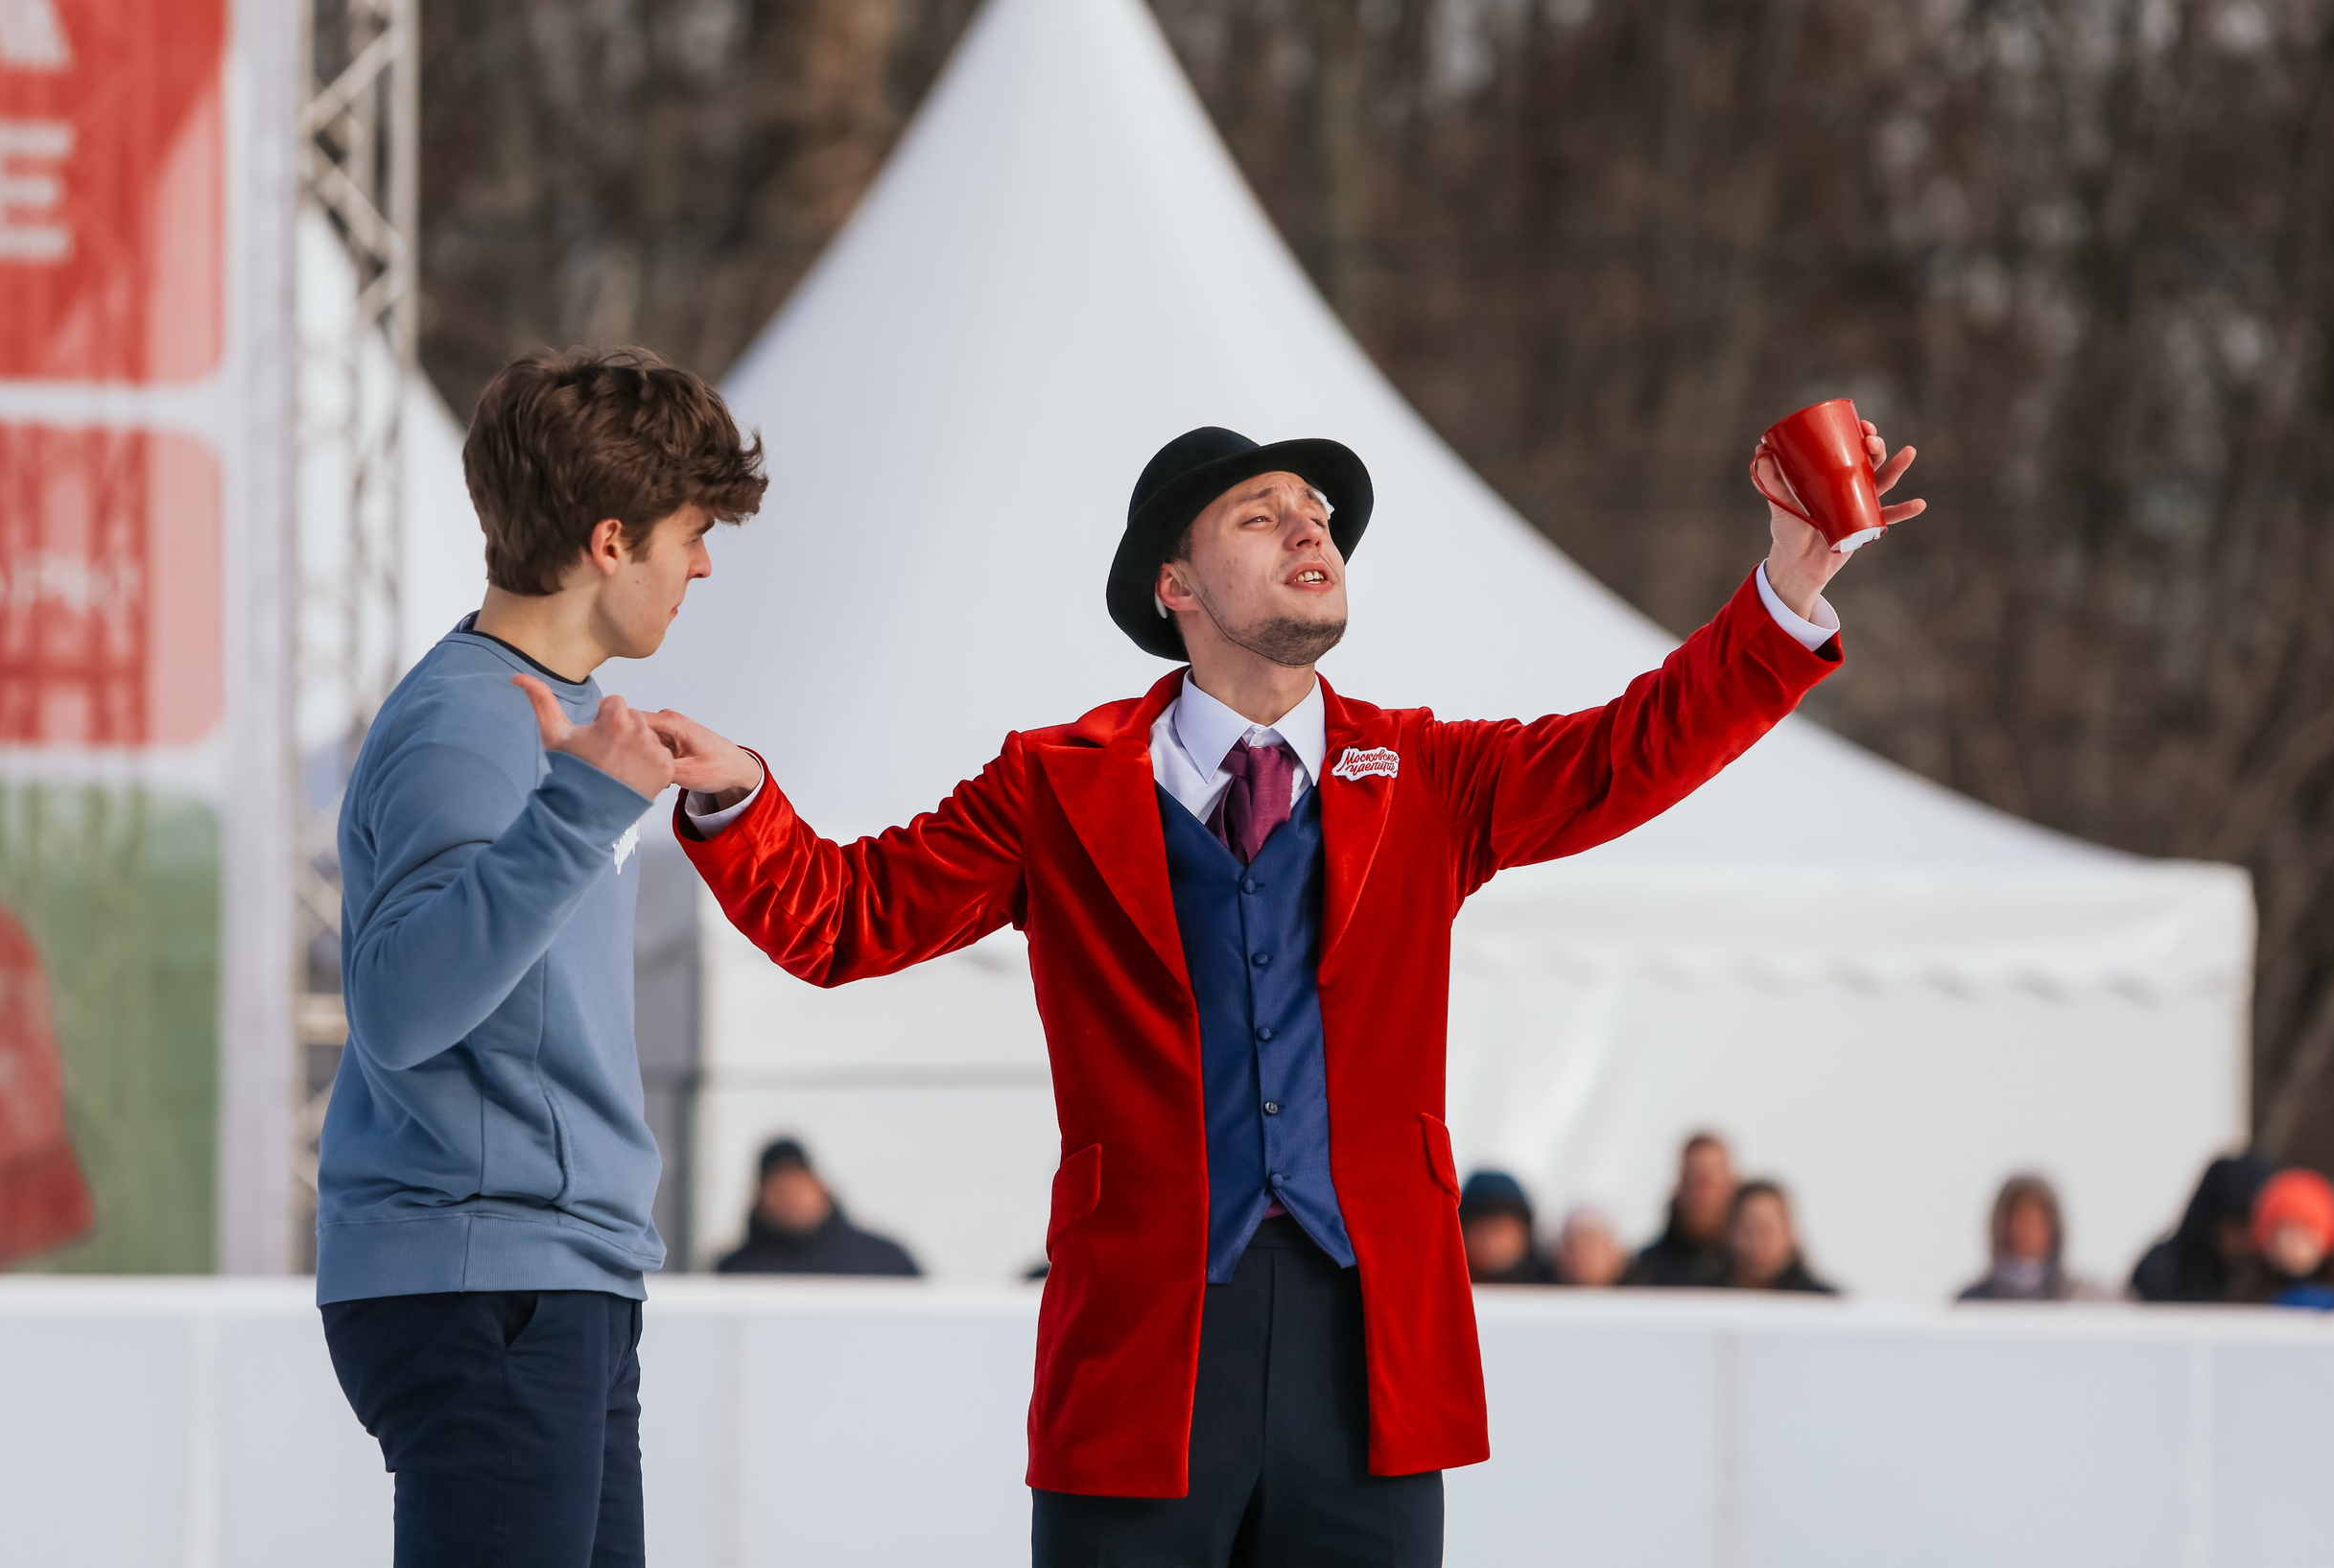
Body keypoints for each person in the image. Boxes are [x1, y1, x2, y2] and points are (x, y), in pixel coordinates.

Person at [653, 418, 1920, 1566]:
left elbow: (1630, 748)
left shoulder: (1422, 772)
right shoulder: (1055, 784)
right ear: (1176, 584)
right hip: (1145, 1343)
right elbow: (847, 917)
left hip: (1369, 1351)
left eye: (1316, 511)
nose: (1309, 526)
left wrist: (1787, 590)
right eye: (1261, 514)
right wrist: (736, 798)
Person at [316, 347, 767, 1568]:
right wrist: (577, 809)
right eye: (690, 534)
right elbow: (401, 1005)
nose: (705, 564)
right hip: (486, 1278)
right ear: (611, 541)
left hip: (542, 1275)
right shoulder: (474, 721)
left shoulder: (547, 714)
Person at [716, 1136, 921, 1275]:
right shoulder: (736, 1270)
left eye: (798, 1186)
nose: (790, 1199)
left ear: (821, 1187)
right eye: (779, 1190)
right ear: (759, 1198)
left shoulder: (883, 1260)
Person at [2129, 1152, 2273, 1302]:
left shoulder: (2263, 1280)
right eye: (2237, 1226)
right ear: (2211, 1218)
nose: (2245, 1240)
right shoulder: (2162, 1270)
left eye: (2255, 1228)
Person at [1957, 1174, 2104, 1301]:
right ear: (2001, 1227)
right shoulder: (1971, 1304)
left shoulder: (2088, 1301)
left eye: (2037, 1221)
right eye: (2020, 1220)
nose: (2028, 1231)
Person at [2231, 1168, 2334, 1310]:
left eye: (2302, 1233)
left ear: (2325, 1237)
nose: (2287, 1245)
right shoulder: (2244, 1297)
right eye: (2278, 1233)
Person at [1622, 1132, 1739, 1287]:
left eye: (1709, 1182)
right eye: (1693, 1180)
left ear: (1731, 1185)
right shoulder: (1645, 1268)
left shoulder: (1755, 1272)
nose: (1702, 1196)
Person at [1724, 1180, 1837, 1295]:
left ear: (1788, 1232)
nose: (1757, 1241)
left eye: (1766, 1230)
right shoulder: (1707, 1294)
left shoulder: (1825, 1304)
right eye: (1747, 1230)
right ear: (1730, 1232)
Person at [1458, 1171, 1557, 1284]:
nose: (1491, 1241)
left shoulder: (1556, 1287)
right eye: (1481, 1229)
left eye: (1500, 1229)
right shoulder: (1445, 1282)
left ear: (1524, 1233)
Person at [1550, 1205, 1627, 1289]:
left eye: (1591, 1249)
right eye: (1574, 1248)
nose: (1583, 1258)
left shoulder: (1639, 1294)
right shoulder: (1540, 1291)